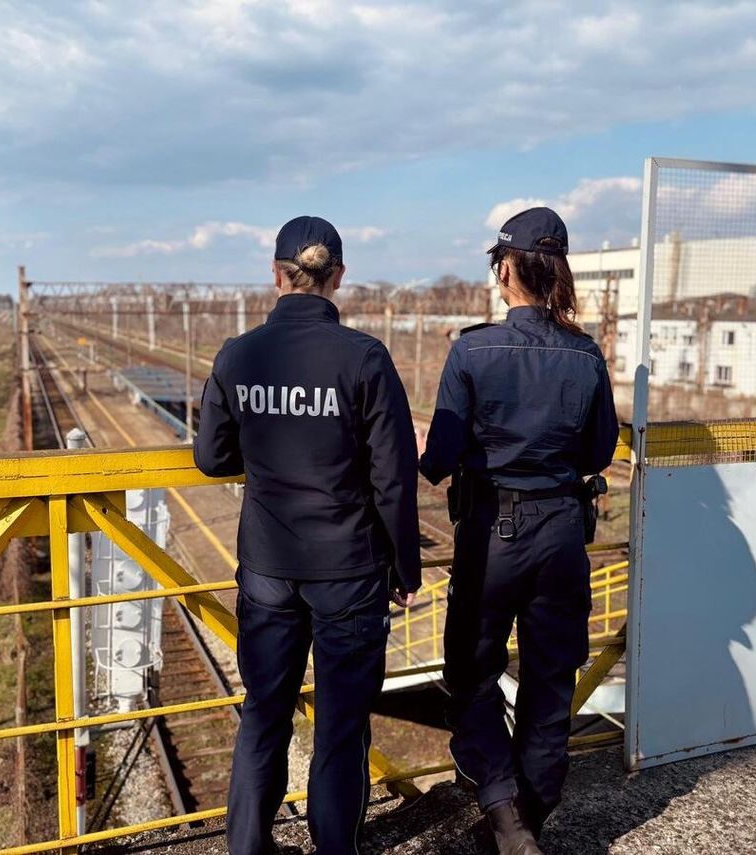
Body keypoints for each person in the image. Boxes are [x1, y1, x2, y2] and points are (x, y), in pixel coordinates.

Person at [193, 215, 422, 855]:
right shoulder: (364, 358)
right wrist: (405, 568)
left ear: (275, 275)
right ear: (339, 278)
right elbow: (394, 478)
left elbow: (210, 458)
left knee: (264, 713)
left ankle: (246, 845)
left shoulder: (239, 356)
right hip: (348, 572)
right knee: (341, 729)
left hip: (266, 566)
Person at [419, 207, 619, 855]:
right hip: (563, 531)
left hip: (491, 535)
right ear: (556, 271)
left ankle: (506, 812)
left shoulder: (472, 349)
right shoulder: (587, 356)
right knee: (551, 676)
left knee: (471, 674)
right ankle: (531, 810)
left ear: (506, 268)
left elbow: (439, 459)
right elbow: (598, 450)